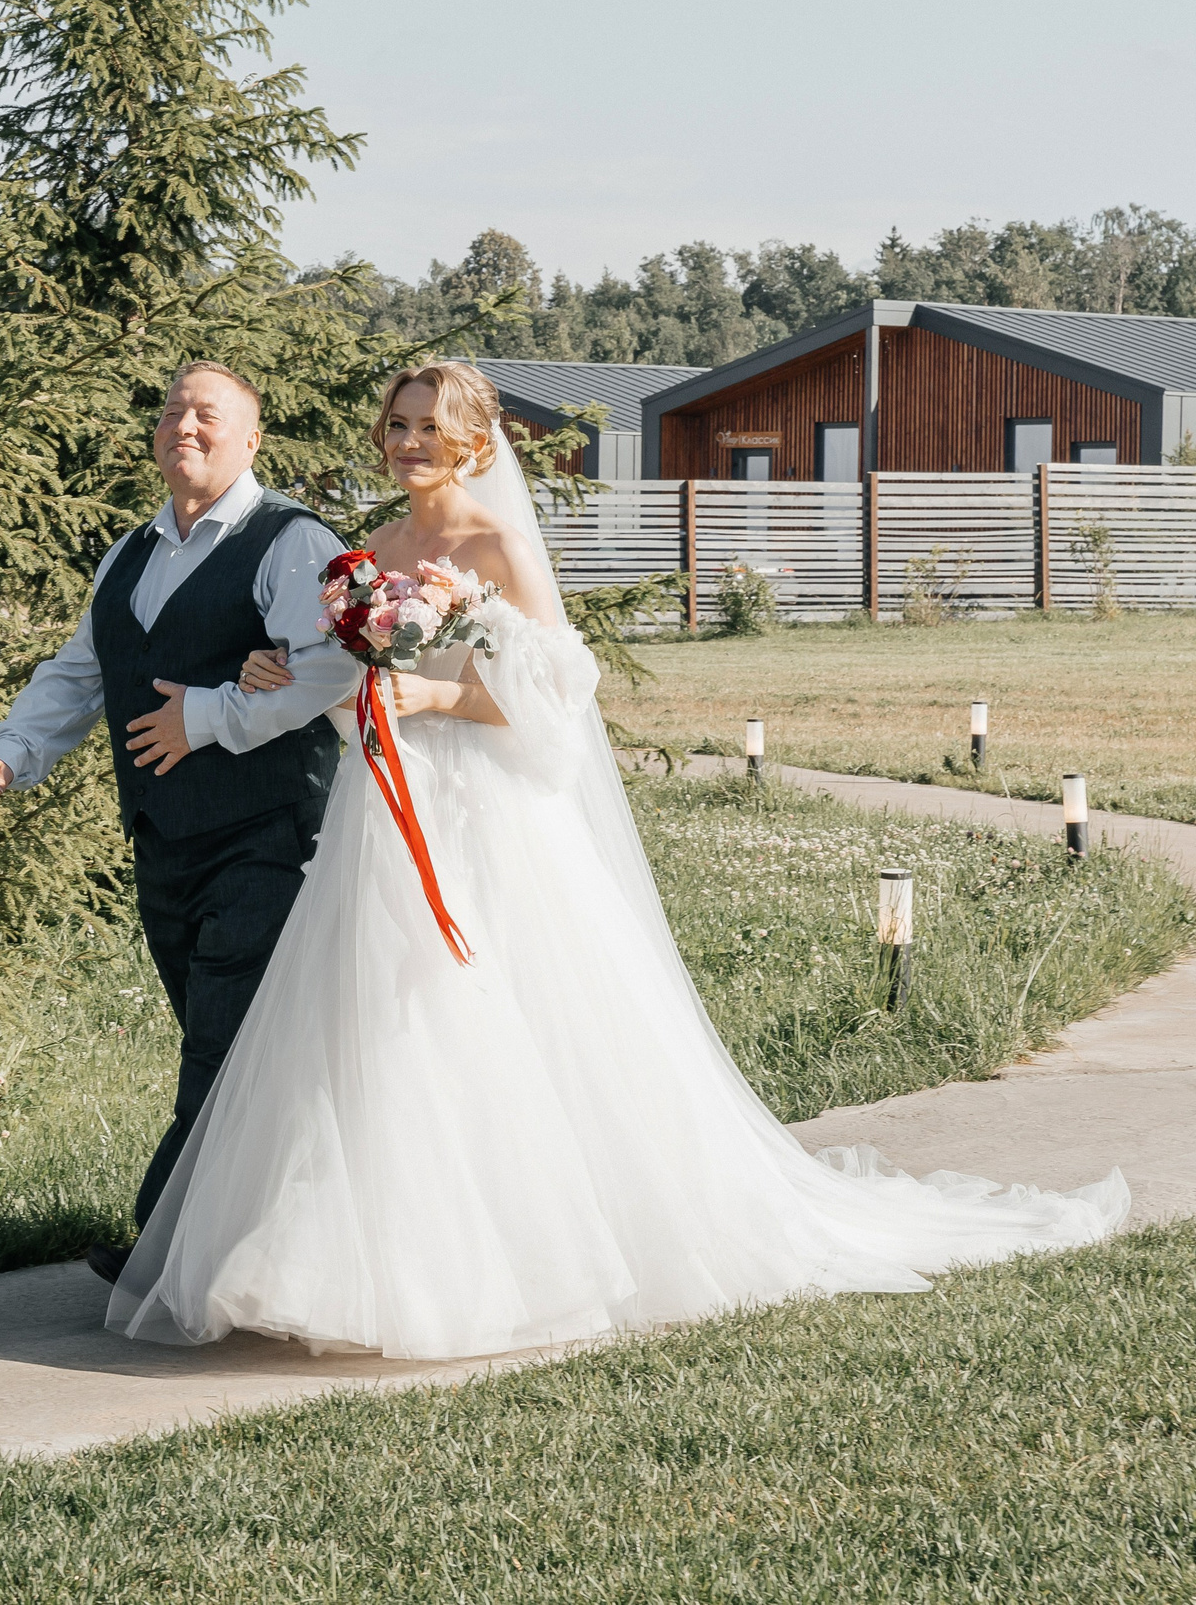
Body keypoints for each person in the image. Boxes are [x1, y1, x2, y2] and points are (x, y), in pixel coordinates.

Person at [103, 361, 1127, 1360]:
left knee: (481, 1011)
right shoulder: (373, 545)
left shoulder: (492, 541)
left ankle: (515, 1254)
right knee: (374, 1014)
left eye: (427, 427)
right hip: (391, 805)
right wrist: (276, 669)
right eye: (396, 426)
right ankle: (346, 1252)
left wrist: (441, 696)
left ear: (470, 441)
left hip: (481, 806)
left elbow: (559, 687)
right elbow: (349, 679)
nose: (408, 444)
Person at [0, 361, 356, 1281]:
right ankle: (280, 1241)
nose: (184, 425)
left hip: (271, 832)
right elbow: (81, 671)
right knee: (230, 1043)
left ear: (252, 438)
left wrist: (209, 714)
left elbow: (329, 670)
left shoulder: (292, 542)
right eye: (172, 411)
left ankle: (168, 1249)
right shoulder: (130, 553)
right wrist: (12, 750)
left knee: (225, 1037)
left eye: (207, 414)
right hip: (166, 842)